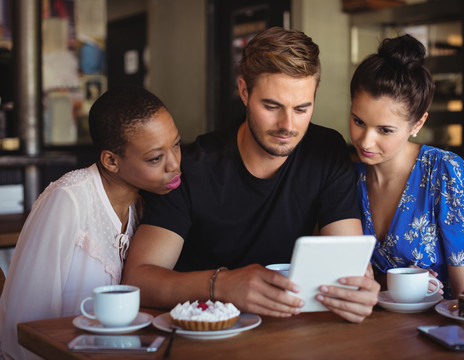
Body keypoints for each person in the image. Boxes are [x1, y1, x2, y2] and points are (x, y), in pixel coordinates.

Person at [122, 26, 380, 323]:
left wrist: (356, 290)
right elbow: (138, 280)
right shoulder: (192, 167)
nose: (288, 125)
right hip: (204, 333)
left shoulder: (326, 151)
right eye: (272, 106)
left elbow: (344, 261)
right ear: (244, 91)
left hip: (285, 333)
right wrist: (222, 284)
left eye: (302, 108)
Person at [0, 86, 181, 359]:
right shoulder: (68, 199)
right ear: (111, 160)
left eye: (176, 144)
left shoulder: (143, 205)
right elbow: (25, 326)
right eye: (156, 158)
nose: (174, 165)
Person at [349, 34, 464, 299]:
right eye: (358, 121)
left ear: (418, 124)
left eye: (385, 130)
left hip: (444, 323)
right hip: (376, 326)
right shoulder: (349, 178)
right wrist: (391, 284)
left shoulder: (445, 172)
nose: (365, 140)